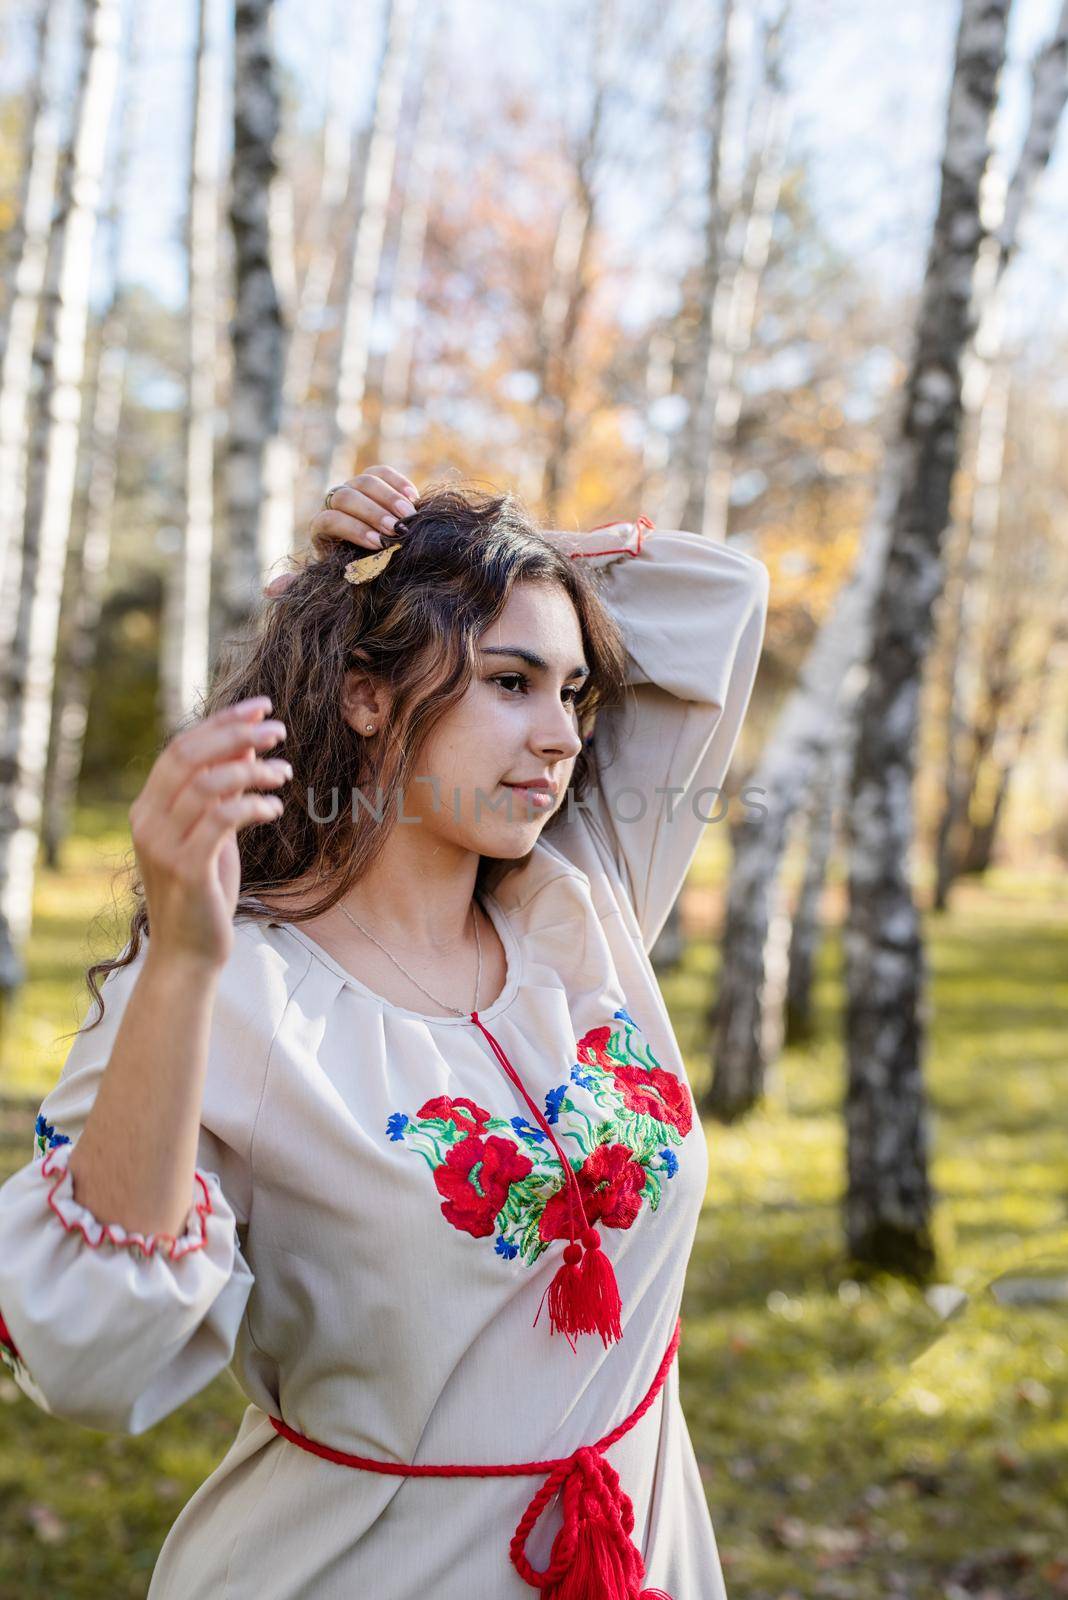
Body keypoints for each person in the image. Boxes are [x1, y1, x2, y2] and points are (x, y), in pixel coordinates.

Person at [0, 465, 769, 1599]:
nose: (559, 736)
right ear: (366, 695)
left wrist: (428, 560)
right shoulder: (232, 989)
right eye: (511, 681)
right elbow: (84, 1349)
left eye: (572, 693)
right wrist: (183, 966)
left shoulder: (580, 902)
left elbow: (722, 592)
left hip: (644, 1555)